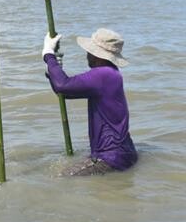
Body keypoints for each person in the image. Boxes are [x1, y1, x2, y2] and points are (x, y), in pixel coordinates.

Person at [42, 28, 138, 176]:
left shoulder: (102, 75)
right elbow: (63, 91)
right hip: (126, 152)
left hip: (110, 158)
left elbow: (63, 86)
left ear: (98, 56)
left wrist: (48, 54)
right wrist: (54, 68)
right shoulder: (112, 73)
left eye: (89, 52)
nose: (87, 55)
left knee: (59, 179)